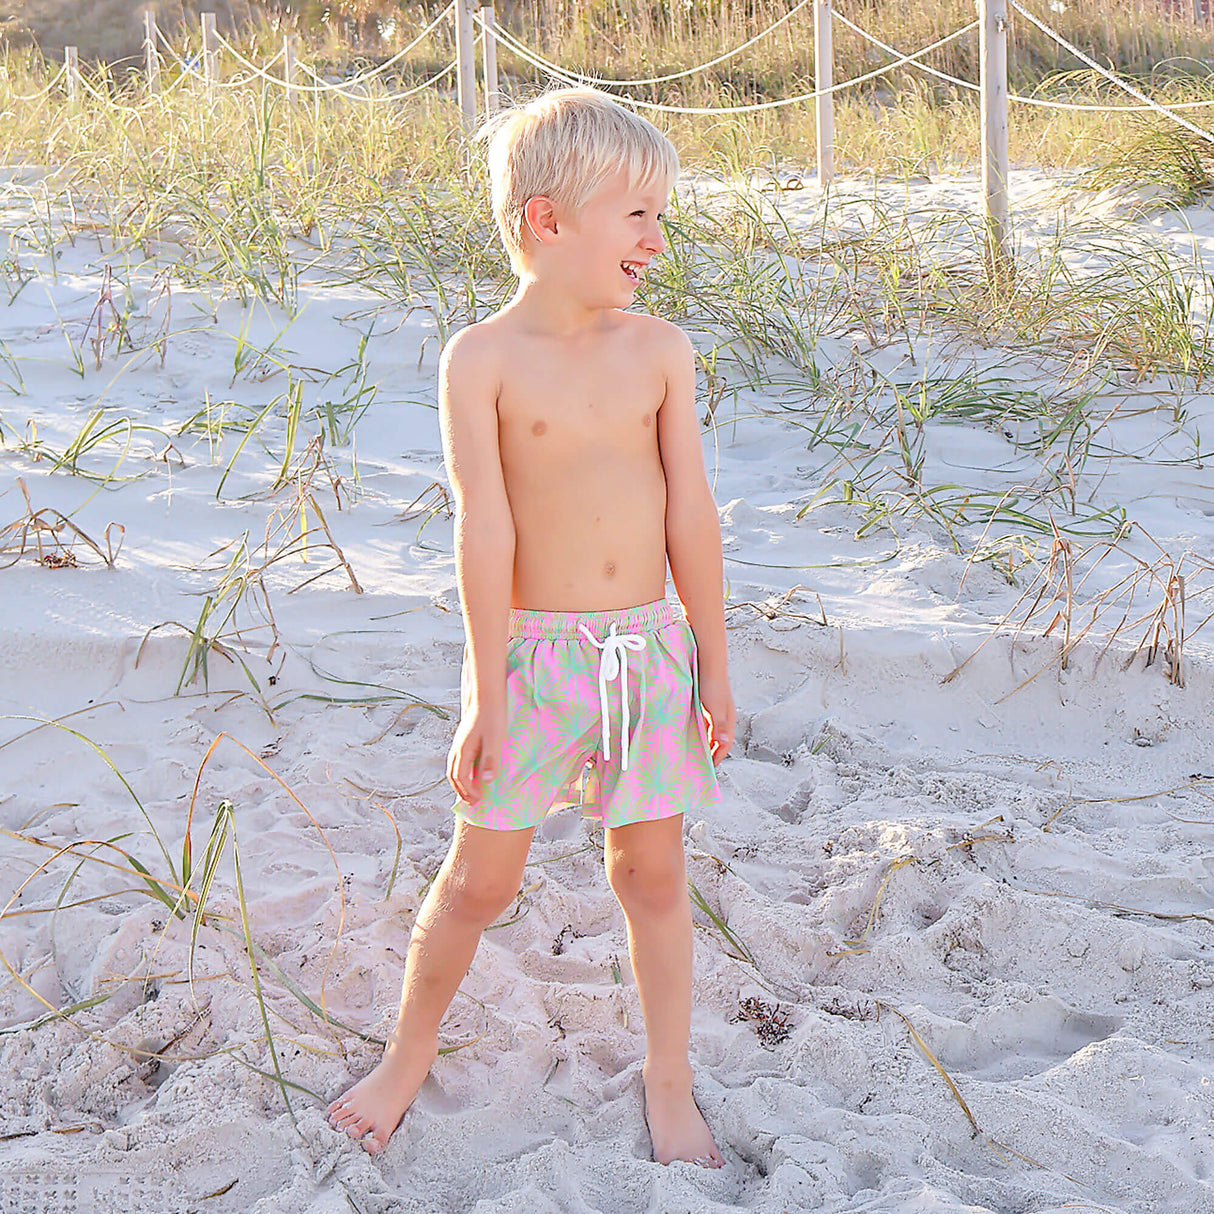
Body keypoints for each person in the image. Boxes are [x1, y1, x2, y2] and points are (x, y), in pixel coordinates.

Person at [327, 87, 735, 1167]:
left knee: (650, 874)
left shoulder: (660, 351)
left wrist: (712, 670)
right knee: (478, 882)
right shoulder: (481, 359)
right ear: (546, 222)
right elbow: (483, 534)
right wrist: (484, 694)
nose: (657, 237)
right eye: (637, 214)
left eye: (660, 214)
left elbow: (690, 513)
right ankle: (405, 1057)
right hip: (536, 659)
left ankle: (667, 1075)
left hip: (646, 654)